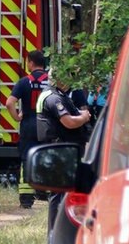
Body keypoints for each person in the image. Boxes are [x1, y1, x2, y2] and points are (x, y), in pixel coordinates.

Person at [36, 73, 92, 232]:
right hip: (60, 150)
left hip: (63, 150)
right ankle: (56, 234)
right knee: (59, 194)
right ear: (59, 78)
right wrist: (84, 117)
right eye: (69, 75)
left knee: (63, 193)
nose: (71, 79)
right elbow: (68, 122)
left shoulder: (57, 95)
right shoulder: (54, 98)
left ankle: (60, 232)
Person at [5, 50, 48, 208]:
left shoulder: (24, 82)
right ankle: (45, 192)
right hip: (47, 126)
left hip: (29, 124)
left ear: (30, 62)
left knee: (27, 159)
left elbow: (10, 103)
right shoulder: (51, 81)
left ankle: (26, 198)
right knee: (46, 157)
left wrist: (16, 117)